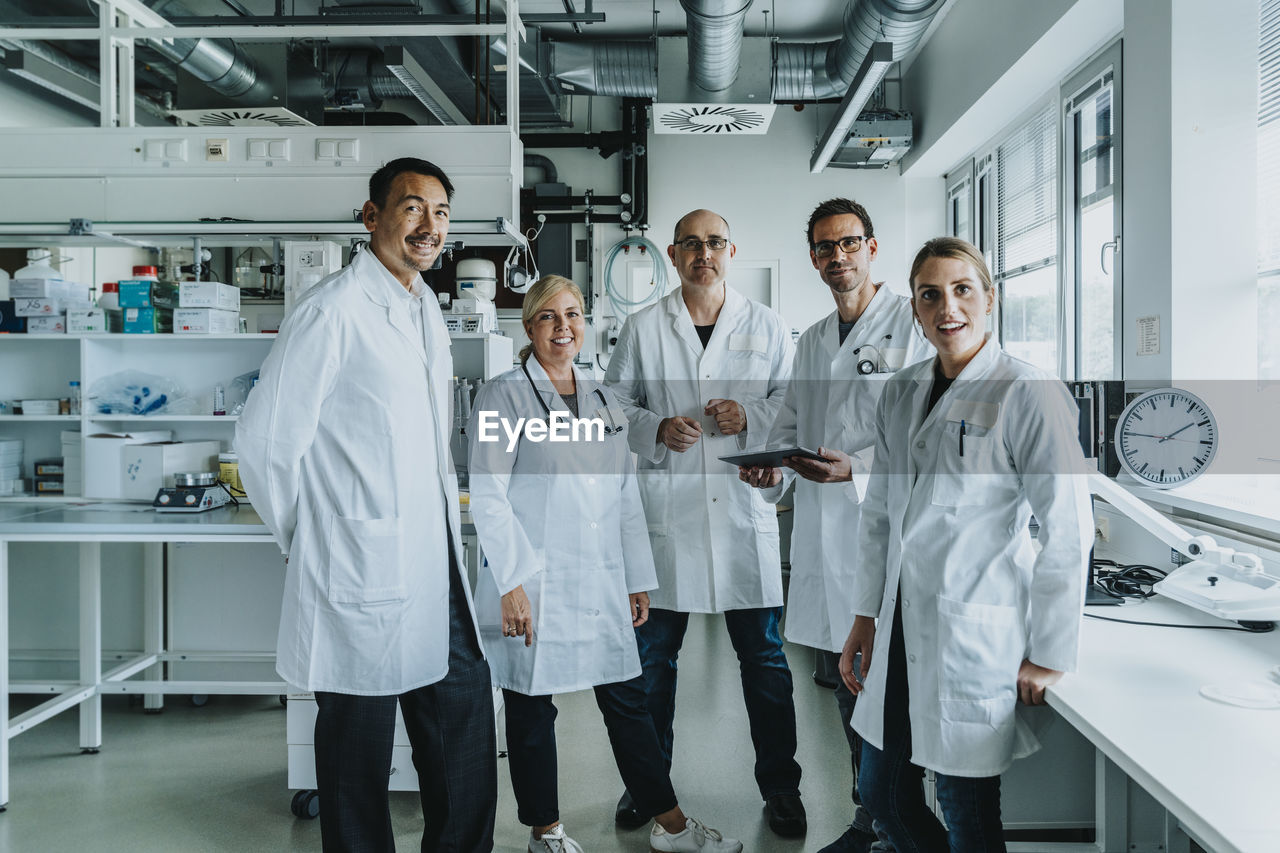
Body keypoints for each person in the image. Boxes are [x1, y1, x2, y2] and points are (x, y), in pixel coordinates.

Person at [236, 157, 497, 853]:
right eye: (411, 207)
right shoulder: (332, 312)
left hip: (429, 559)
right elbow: (263, 446)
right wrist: (317, 537)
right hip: (357, 568)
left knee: (464, 721)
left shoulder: (422, 311)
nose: (429, 225)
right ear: (371, 216)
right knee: (357, 754)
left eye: (440, 212)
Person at [468, 274, 742, 853]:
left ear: (584, 323)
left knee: (627, 700)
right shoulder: (503, 394)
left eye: (572, 315)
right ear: (529, 326)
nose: (562, 327)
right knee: (531, 708)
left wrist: (636, 577)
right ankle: (545, 832)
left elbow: (623, 492)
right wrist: (511, 582)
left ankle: (671, 827)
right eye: (548, 317)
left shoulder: (602, 395)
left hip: (599, 576)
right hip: (535, 580)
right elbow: (488, 494)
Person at [841, 237, 1093, 852]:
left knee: (966, 809)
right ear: (916, 310)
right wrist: (864, 616)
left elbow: (1068, 528)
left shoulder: (1026, 392)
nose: (946, 307)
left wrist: (1051, 652)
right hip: (901, 624)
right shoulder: (900, 391)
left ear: (990, 299)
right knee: (882, 797)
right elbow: (880, 513)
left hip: (971, 629)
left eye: (962, 290)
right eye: (930, 295)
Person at [739, 198, 932, 853]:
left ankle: (896, 827)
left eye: (848, 243)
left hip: (892, 545)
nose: (837, 257)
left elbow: (932, 436)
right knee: (849, 691)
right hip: (826, 545)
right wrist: (776, 469)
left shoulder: (913, 326)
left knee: (890, 702)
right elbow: (793, 427)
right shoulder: (815, 338)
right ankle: (867, 819)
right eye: (824, 247)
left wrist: (857, 469)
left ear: (872, 247)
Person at [604, 209, 804, 837]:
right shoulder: (642, 326)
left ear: (731, 250)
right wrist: (655, 428)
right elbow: (614, 404)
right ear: (672, 253)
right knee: (653, 664)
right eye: (690, 244)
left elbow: (792, 409)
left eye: (714, 242)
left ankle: (781, 787)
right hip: (670, 521)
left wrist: (749, 416)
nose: (703, 254)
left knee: (767, 664)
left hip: (742, 519)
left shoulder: (767, 325)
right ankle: (647, 787)